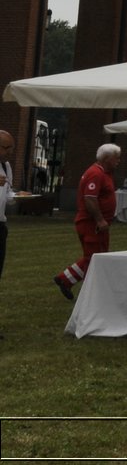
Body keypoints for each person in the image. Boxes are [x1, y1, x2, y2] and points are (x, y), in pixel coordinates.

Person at [54, 143, 120, 300]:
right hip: (92, 224)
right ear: (106, 158)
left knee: (95, 256)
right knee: (95, 259)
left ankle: (65, 279)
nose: (118, 161)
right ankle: (90, 296)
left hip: (96, 224)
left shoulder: (104, 173)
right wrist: (100, 220)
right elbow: (89, 199)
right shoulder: (95, 174)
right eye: (116, 158)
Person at [0, 130, 13, 337]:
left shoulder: (7, 166)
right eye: (5, 147)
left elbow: (8, 193)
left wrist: (14, 196)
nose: (9, 152)